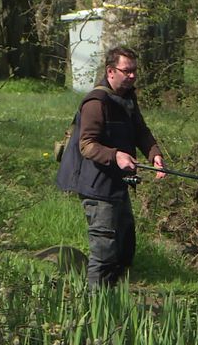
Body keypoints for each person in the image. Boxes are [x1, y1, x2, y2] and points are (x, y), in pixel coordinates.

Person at [57, 46, 166, 288]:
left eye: (135, 71)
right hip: (95, 185)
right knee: (104, 250)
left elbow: (140, 130)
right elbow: (87, 145)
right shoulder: (95, 102)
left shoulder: (127, 96)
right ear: (110, 71)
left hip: (117, 183)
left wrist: (154, 155)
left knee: (124, 245)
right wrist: (116, 156)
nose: (132, 76)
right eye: (127, 71)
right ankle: (95, 304)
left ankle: (116, 294)